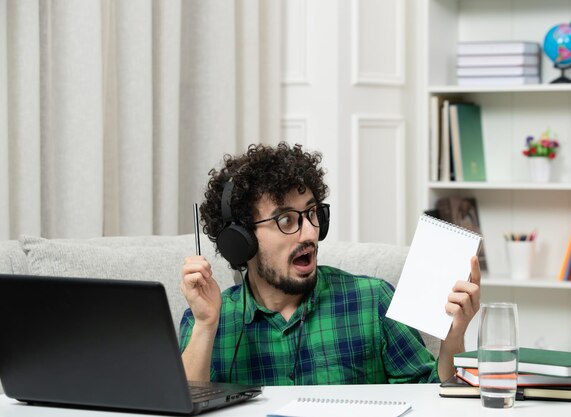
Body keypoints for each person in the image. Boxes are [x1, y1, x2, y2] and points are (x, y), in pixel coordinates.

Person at [179, 142, 480, 386]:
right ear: (241, 239)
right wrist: (206, 325)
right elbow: (184, 406)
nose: (310, 232)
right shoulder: (207, 319)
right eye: (287, 220)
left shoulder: (372, 300)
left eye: (312, 214)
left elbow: (437, 398)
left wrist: (455, 336)